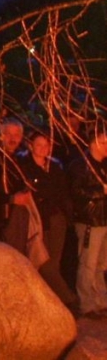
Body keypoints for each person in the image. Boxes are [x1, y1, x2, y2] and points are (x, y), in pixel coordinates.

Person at [20, 133, 77, 308]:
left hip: (57, 218)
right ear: (31, 146)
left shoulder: (55, 167)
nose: (43, 148)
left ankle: (55, 302)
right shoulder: (25, 167)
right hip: (39, 220)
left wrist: (67, 215)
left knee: (54, 262)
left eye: (46, 145)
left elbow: (62, 193)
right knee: (44, 263)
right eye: (39, 145)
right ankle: (68, 299)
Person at [68, 129, 107, 316]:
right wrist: (101, 191)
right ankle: (87, 304)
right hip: (90, 220)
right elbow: (75, 192)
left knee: (101, 264)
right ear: (92, 143)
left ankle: (101, 301)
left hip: (104, 219)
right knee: (88, 264)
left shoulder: (104, 165)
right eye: (103, 142)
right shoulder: (80, 165)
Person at [0, 117, 33, 255]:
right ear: (1, 136)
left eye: (17, 135)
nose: (13, 139)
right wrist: (11, 199)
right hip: (0, 222)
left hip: (17, 219)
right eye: (8, 134)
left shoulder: (20, 160)